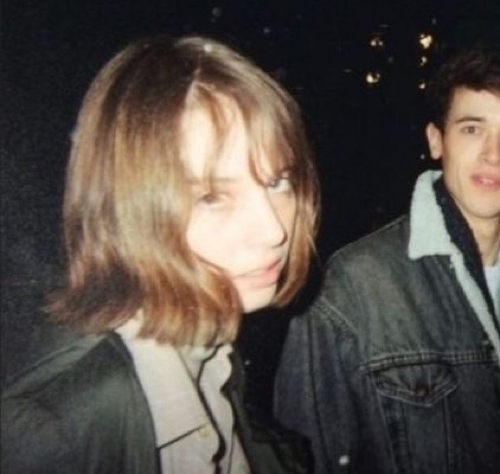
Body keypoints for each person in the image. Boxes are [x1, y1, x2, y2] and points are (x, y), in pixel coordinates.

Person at [1, 35, 319, 473]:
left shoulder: (215, 356)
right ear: (126, 207)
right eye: (212, 197)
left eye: (277, 182)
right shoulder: (57, 433)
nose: (273, 230)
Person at [275, 46, 500, 473]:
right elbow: (304, 459)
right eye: (473, 129)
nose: (494, 153)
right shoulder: (354, 289)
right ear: (436, 140)